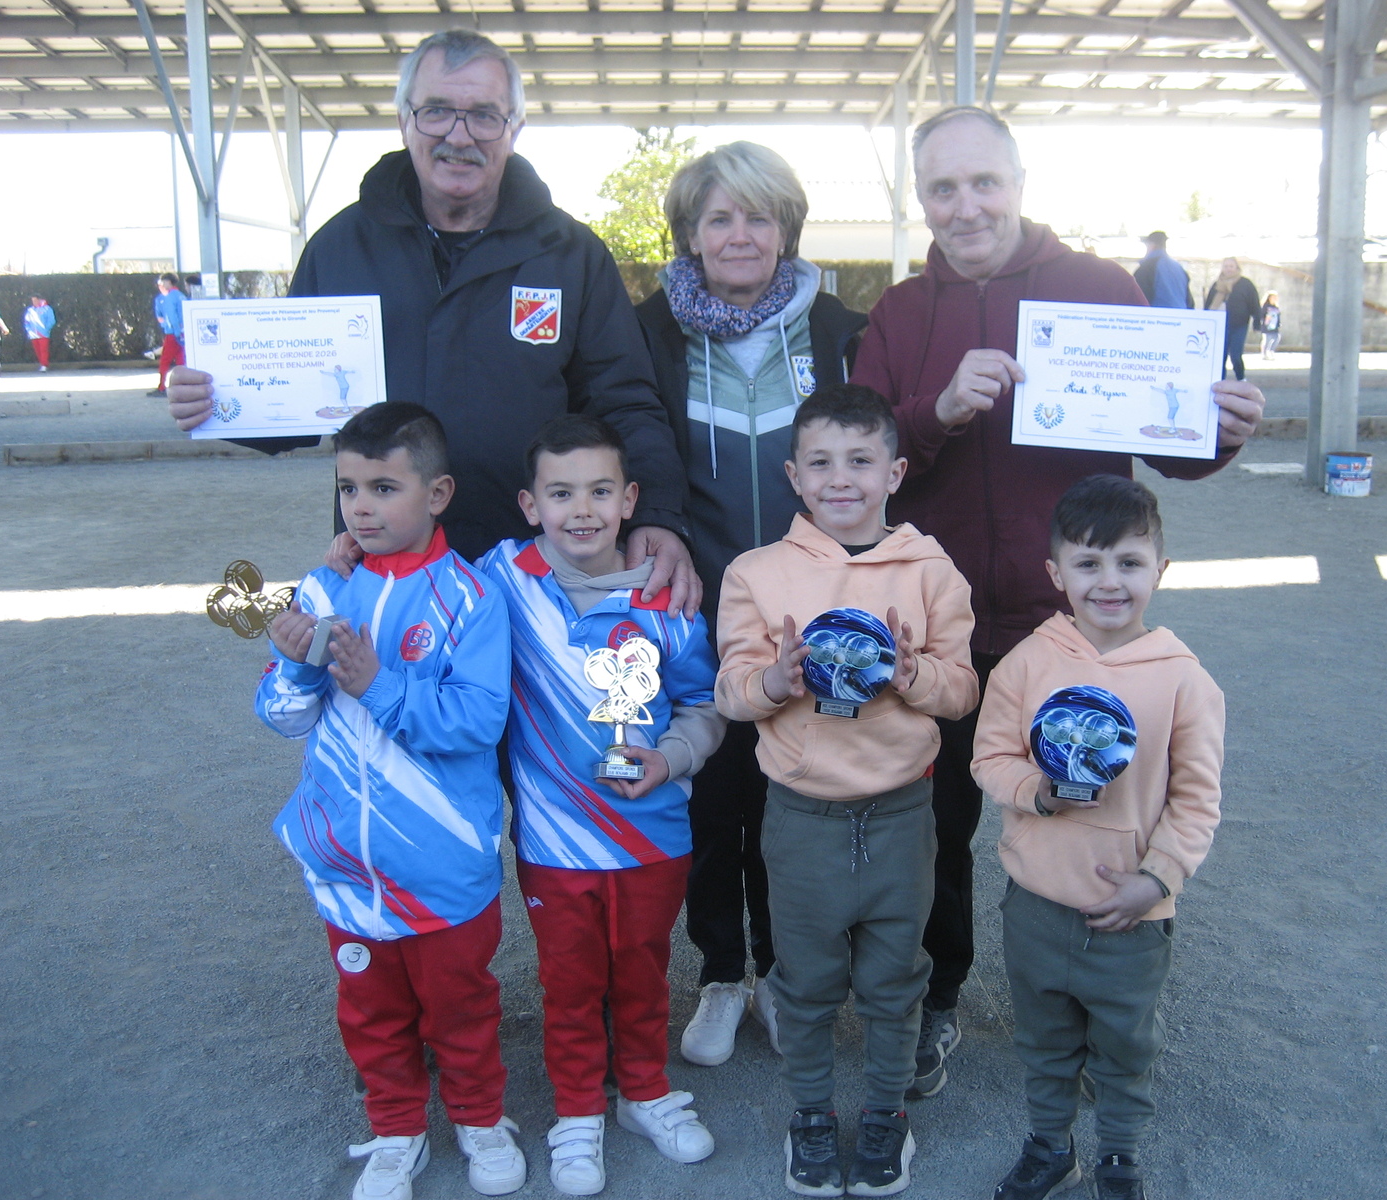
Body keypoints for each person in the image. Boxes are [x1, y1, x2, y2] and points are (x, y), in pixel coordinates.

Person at [849, 105, 1262, 1102]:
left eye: (984, 182)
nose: (966, 206)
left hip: (1072, 630)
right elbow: (862, 460)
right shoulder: (899, 314)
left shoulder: (1098, 288)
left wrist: (1219, 431)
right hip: (942, 627)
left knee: (1093, 813)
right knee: (932, 829)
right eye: (942, 188)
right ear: (921, 199)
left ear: (1021, 183)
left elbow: (1167, 441)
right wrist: (936, 413)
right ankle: (935, 998)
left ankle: (1091, 1010)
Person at [164, 28, 695, 606]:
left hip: (539, 576)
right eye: (436, 111)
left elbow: (626, 401)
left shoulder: (572, 255)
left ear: (514, 128)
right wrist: (219, 396)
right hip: (389, 574)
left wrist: (658, 514)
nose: (458, 136)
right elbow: (297, 398)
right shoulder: (340, 248)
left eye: (485, 115)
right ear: (404, 121)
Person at [635, 141, 869, 1068]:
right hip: (694, 612)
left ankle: (779, 970)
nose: (740, 235)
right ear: (689, 234)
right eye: (719, 218)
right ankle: (721, 974)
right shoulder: (645, 334)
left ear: (787, 230)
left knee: (788, 800)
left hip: (808, 613)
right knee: (710, 801)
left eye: (759, 216)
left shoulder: (840, 332)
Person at [256, 402, 526, 1200]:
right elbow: (281, 717)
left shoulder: (472, 598)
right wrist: (296, 664)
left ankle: (481, 1119)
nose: (361, 508)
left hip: (443, 870)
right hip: (346, 869)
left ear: (438, 494)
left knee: (461, 1009)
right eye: (348, 489)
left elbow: (478, 721)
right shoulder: (322, 589)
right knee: (370, 1015)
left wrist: (378, 684)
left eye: (383, 488)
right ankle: (396, 1130)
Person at [715, 384, 979, 1198]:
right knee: (805, 981)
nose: (841, 479)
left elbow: (962, 691)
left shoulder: (932, 571)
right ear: (793, 476)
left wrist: (912, 673)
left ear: (894, 472)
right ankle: (811, 1115)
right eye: (821, 462)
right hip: (801, 817)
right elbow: (730, 692)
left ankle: (887, 1116)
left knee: (895, 980)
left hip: (902, 814)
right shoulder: (756, 574)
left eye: (861, 461)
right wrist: (776, 680)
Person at [476, 415, 723, 1196]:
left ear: (629, 500)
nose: (580, 510)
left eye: (598, 491)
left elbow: (704, 705)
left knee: (644, 971)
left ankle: (644, 1092)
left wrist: (670, 758)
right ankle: (578, 1111)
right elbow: (415, 583)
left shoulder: (666, 598)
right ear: (529, 504)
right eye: (560, 493)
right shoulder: (499, 578)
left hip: (653, 837)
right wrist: (351, 552)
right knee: (571, 984)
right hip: (556, 844)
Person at [972, 475, 1223, 1200]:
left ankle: (1118, 1155)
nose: (1109, 582)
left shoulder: (1185, 680)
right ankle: (1051, 1147)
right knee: (1043, 1040)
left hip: (1132, 914)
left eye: (1129, 563)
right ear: (1056, 574)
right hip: (1038, 904)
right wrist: (1036, 791)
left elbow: (1196, 799)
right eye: (1088, 563)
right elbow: (990, 756)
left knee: (1125, 1043)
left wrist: (1159, 877)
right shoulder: (1027, 662)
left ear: (1160, 570)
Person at [1202, 257, 1261, 382]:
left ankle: (1241, 379)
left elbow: (1254, 304)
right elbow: (1208, 305)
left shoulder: (1245, 284)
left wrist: (1257, 322)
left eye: (1231, 266)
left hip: (1239, 325)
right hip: (1220, 326)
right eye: (1226, 266)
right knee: (1220, 356)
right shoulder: (1217, 285)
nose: (1228, 269)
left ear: (1237, 268)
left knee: (1235, 355)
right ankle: (1219, 381)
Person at [1131, 232, 1191, 310]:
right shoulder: (1178, 268)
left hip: (1157, 315)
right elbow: (1189, 302)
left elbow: (1137, 299)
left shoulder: (1147, 267)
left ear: (1152, 245)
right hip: (1180, 315)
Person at [149, 273, 186, 397]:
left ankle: (161, 387)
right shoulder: (181, 296)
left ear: (168, 282)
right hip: (183, 332)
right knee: (181, 359)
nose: (162, 284)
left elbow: (171, 316)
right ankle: (183, 385)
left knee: (165, 360)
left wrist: (174, 330)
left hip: (173, 333)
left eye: (163, 282)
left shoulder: (168, 297)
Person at [23, 295, 55, 372]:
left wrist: (46, 329)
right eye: (32, 301)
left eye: (35, 300)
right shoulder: (30, 310)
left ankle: (44, 364)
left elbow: (51, 320)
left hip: (43, 334)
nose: (34, 302)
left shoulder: (47, 308)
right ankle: (42, 363)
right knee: (37, 350)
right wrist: (29, 330)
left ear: (39, 300)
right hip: (33, 334)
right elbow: (26, 321)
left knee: (43, 349)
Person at [1258, 291, 1282, 360]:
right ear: (1269, 298)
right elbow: (1261, 315)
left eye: (1276, 297)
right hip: (1267, 326)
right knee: (1267, 340)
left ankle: (1271, 350)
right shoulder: (1265, 306)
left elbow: (1278, 316)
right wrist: (1265, 319)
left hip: (1274, 326)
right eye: (1273, 297)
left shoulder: (1276, 307)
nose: (1275, 299)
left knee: (1276, 338)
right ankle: (1264, 354)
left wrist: (1278, 323)